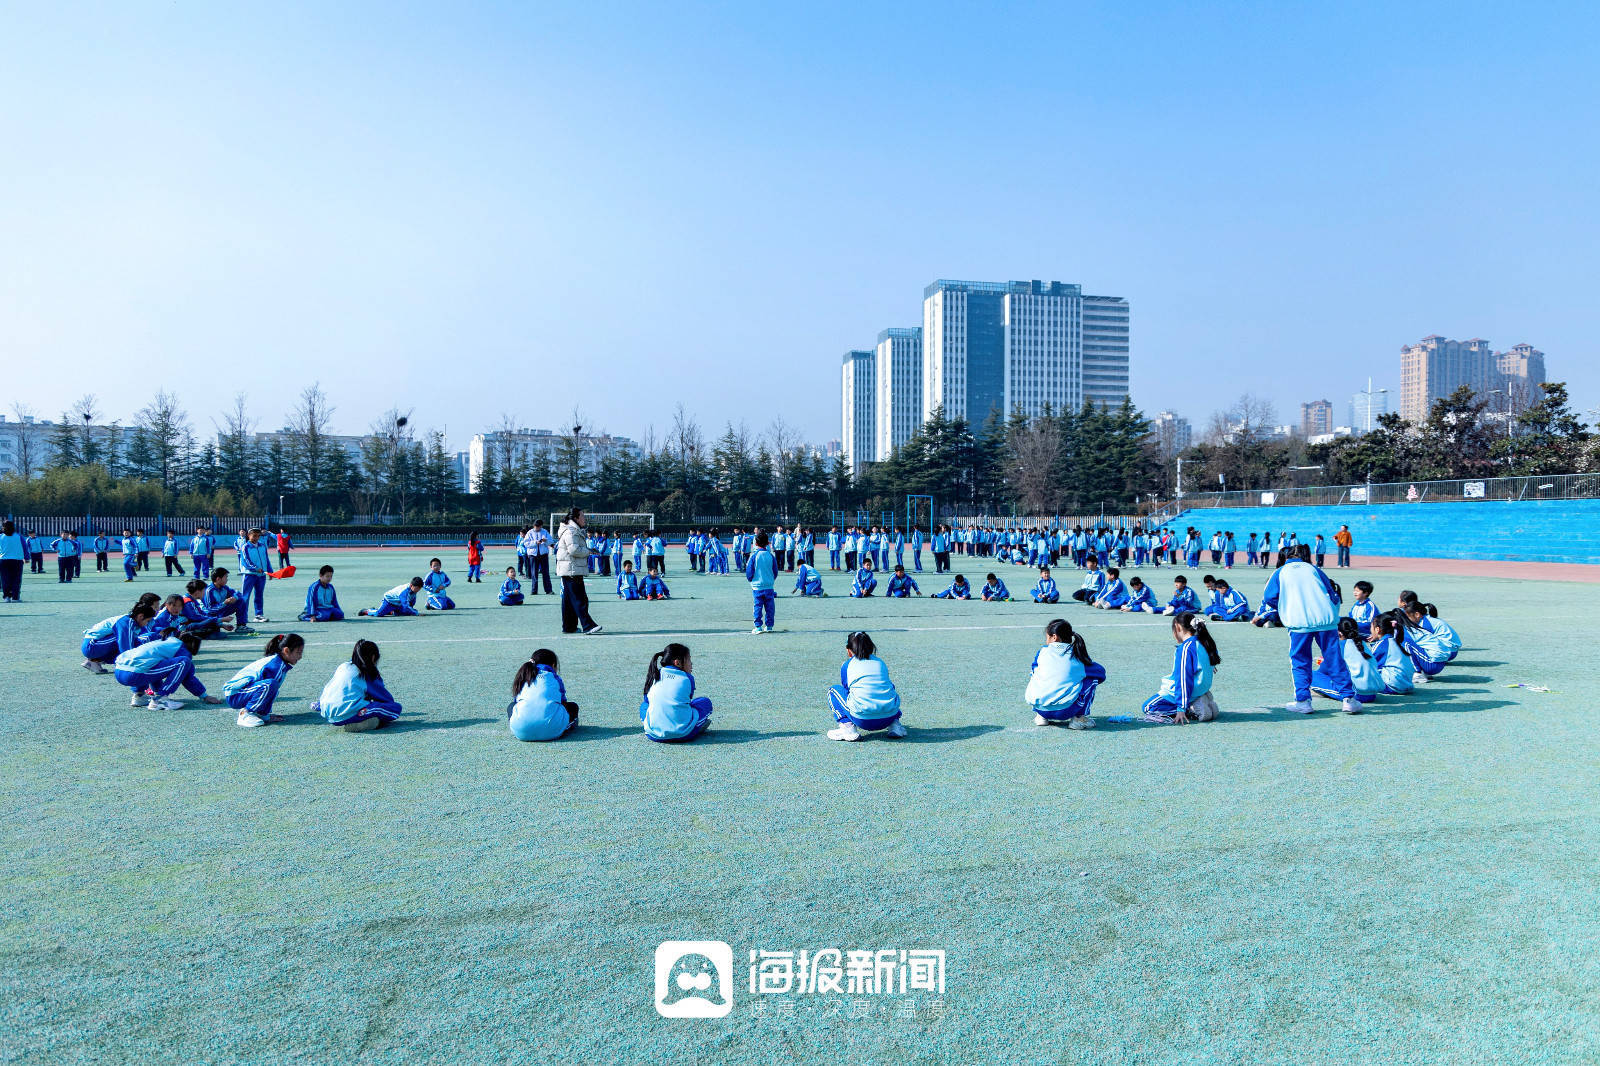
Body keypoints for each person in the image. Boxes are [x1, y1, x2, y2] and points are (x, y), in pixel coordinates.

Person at [1260, 545, 1359, 714]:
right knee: (1334, 659)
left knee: (1300, 661)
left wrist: (1286, 607)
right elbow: (1332, 593)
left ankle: (1303, 701)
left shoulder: (1280, 572)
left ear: (1286, 558)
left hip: (1299, 623)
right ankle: (1348, 699)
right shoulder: (1314, 569)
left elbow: (1269, 597)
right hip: (1325, 620)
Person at [1141, 612, 1222, 724]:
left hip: (1189, 690)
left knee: (1148, 707)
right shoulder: (1204, 641)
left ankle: (1191, 708)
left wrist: (1181, 708)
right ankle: (1198, 699)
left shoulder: (1185, 648)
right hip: (1201, 688)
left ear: (1178, 627)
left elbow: (1183, 679)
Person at [1025, 618, 1106, 728]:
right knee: (1091, 679)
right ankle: (1079, 718)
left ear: (1054, 637)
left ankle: (1040, 717)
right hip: (1065, 711)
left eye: (1047, 637)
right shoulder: (1077, 655)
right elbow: (1101, 673)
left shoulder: (1042, 651)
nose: (1046, 640)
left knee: (1036, 674)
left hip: (1040, 707)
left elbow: (1034, 670)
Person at [827, 630, 905, 741]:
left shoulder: (847, 665)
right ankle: (895, 725)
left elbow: (847, 690)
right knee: (889, 688)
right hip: (889, 717)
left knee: (833, 690)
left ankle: (848, 728)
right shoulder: (880, 662)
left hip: (862, 720)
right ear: (871, 647)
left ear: (848, 650)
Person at [313, 639, 403, 731]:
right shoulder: (366, 672)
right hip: (347, 714)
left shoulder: (343, 666)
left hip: (328, 712)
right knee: (395, 708)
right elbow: (386, 699)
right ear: (373, 657)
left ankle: (319, 705)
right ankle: (361, 723)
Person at [113, 632, 218, 710]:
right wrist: (204, 696)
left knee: (152, 664)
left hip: (119, 671)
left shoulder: (164, 642)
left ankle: (139, 696)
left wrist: (156, 690)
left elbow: (156, 672)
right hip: (134, 674)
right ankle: (160, 700)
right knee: (183, 662)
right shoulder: (182, 648)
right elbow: (187, 677)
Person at [223, 633, 304, 728]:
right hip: (235, 695)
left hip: (242, 692)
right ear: (286, 651)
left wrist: (265, 716)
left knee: (272, 686)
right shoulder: (275, 665)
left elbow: (268, 693)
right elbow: (267, 688)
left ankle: (259, 714)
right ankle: (246, 714)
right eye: (298, 652)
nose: (300, 656)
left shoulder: (279, 663)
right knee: (270, 685)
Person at [640, 642, 712, 742]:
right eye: (689, 660)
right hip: (684, 734)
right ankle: (695, 727)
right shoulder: (687, 677)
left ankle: (655, 725)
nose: (691, 664)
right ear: (677, 662)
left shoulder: (655, 674)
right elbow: (687, 700)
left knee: (644, 706)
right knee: (705, 702)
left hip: (654, 734)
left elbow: (647, 700)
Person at [506, 648, 579, 741]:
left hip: (521, 732)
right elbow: (563, 703)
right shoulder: (554, 677)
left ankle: (520, 726)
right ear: (553, 665)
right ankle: (564, 727)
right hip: (552, 731)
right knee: (573, 707)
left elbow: (517, 702)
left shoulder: (524, 676)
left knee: (511, 706)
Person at [1312, 618, 1383, 705]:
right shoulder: (1362, 644)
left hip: (1356, 694)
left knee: (1311, 675)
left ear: (1339, 633)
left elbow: (1324, 670)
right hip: (1373, 694)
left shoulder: (1341, 645)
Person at [556, 508, 602, 635]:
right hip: (572, 569)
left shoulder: (572, 530)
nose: (584, 518)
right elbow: (574, 550)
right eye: (582, 516)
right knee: (580, 599)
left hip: (569, 569)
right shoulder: (571, 531)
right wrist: (589, 551)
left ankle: (569, 627)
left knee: (568, 601)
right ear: (576, 518)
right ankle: (588, 626)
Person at [81, 603, 158, 673]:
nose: (146, 624)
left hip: (95, 647)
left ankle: (93, 661)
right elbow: (126, 647)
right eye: (147, 621)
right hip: (90, 646)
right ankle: (120, 665)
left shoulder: (132, 622)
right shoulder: (126, 622)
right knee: (126, 641)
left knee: (132, 642)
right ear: (140, 616)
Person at [1368, 612, 1417, 694]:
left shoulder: (1383, 644)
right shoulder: (1395, 642)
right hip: (1407, 685)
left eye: (1371, 627)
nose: (1370, 630)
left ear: (1377, 629)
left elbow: (1370, 665)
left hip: (1393, 686)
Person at [238, 529, 273, 623]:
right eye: (254, 536)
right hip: (249, 575)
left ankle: (259, 615)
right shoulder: (245, 547)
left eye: (258, 536)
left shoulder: (262, 546)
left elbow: (266, 559)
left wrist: (270, 571)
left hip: (261, 575)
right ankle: (243, 617)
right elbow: (246, 561)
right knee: (245, 596)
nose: (256, 538)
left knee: (259, 595)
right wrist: (255, 568)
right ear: (248, 536)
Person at [746, 531, 778, 633]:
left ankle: (758, 626)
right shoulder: (771, 556)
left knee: (757, 606)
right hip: (769, 586)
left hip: (757, 586)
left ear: (756, 543)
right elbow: (775, 571)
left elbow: (749, 571)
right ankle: (769, 626)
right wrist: (771, 579)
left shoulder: (754, 556)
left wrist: (750, 579)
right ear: (768, 543)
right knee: (770, 607)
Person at [204, 568, 252, 634]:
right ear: (218, 579)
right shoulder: (209, 591)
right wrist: (224, 603)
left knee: (240, 600)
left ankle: (241, 625)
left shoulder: (224, 587)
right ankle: (216, 625)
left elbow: (238, 593)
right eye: (226, 577)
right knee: (217, 634)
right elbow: (210, 609)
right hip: (210, 616)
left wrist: (234, 597)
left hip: (220, 612)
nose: (227, 579)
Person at [359, 578, 425, 617]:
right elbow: (405, 605)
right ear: (411, 585)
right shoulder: (404, 592)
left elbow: (411, 603)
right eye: (417, 588)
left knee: (406, 612)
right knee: (378, 614)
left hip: (399, 603)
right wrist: (416, 613)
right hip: (389, 601)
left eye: (419, 588)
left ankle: (390, 611)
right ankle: (367, 611)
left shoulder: (413, 590)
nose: (418, 590)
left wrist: (412, 611)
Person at [529, 520, 554, 595]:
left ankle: (548, 590)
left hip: (543, 555)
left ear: (541, 526)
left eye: (538, 527)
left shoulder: (545, 532)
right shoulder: (529, 532)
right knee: (534, 573)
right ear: (534, 526)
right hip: (533, 555)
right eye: (535, 526)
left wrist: (546, 541)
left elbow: (551, 542)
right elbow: (526, 543)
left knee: (546, 573)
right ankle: (534, 590)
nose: (537, 528)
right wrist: (535, 542)